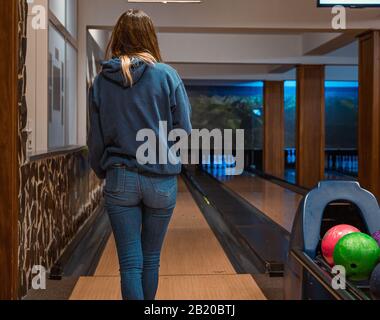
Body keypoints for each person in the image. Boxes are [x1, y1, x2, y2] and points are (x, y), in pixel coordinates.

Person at [88, 9, 192, 300]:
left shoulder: (101, 82)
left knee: (130, 265)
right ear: (151, 38)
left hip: (120, 176)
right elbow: (183, 129)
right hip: (160, 180)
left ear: (117, 37)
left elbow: (95, 139)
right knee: (151, 258)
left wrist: (102, 171)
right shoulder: (167, 75)